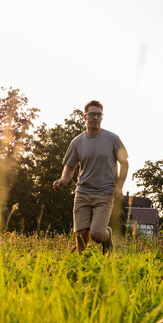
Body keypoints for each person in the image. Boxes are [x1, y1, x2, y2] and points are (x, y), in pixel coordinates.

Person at [53, 100, 128, 254]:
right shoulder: (77, 142)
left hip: (105, 193)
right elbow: (70, 166)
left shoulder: (113, 139)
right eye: (92, 114)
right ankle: (81, 267)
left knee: (96, 235)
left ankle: (107, 238)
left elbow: (124, 163)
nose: (96, 117)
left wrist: (119, 186)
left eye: (99, 115)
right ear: (84, 117)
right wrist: (63, 180)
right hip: (82, 192)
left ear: (102, 117)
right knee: (81, 236)